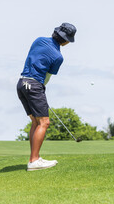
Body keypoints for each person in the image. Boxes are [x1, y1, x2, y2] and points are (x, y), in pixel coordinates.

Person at [17, 23, 76, 171]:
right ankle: (34, 161)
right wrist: (41, 90)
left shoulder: (38, 40)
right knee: (44, 122)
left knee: (36, 122)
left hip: (21, 83)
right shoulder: (58, 56)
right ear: (66, 40)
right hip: (35, 85)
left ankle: (34, 158)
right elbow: (46, 78)